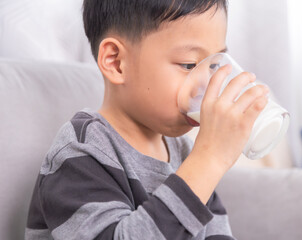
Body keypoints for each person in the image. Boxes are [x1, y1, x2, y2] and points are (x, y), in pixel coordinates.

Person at [25, 0, 269, 239]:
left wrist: (205, 161)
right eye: (189, 64)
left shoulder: (185, 153)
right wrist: (210, 160)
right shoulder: (81, 153)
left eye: (213, 66)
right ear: (116, 62)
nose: (206, 84)